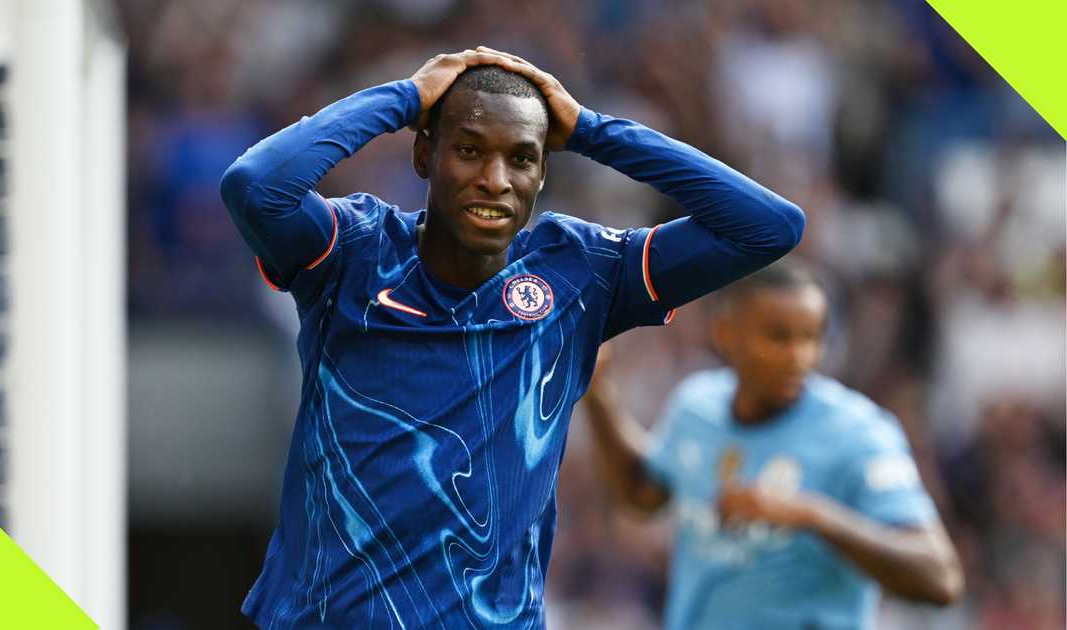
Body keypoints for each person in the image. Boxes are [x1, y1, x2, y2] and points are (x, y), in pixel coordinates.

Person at [220, 46, 804, 628]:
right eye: (470, 151)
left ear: (542, 171)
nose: (494, 181)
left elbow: (768, 227)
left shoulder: (580, 273)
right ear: (426, 153)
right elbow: (255, 186)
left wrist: (591, 130)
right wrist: (404, 98)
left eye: (522, 158)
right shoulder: (352, 252)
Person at [582, 259, 964, 629]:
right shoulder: (696, 407)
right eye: (778, 337)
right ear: (726, 333)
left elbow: (940, 578)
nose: (800, 356)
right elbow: (643, 494)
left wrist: (813, 516)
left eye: (812, 337)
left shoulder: (859, 433)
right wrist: (599, 395)